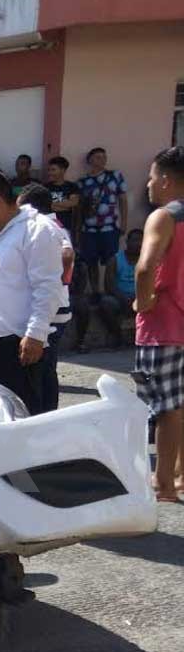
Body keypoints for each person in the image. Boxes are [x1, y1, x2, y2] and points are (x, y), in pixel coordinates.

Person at [0, 169, 63, 415]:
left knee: (23, 419)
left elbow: (47, 287)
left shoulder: (37, 230)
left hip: (17, 347)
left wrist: (35, 335)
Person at [132, 146, 184, 501]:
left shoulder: (164, 217)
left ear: (165, 180)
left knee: (166, 407)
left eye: (151, 177)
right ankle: (179, 477)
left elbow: (145, 267)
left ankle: (163, 484)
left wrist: (144, 299)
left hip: (164, 326)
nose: (148, 185)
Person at [18, 183, 76, 411]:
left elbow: (66, 254)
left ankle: (46, 413)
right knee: (46, 369)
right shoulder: (52, 225)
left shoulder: (48, 226)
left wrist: (54, 278)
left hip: (54, 310)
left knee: (43, 369)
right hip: (55, 307)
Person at [77, 147, 130, 316]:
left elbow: (123, 200)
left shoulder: (115, 176)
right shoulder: (82, 182)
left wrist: (124, 222)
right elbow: (79, 209)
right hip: (89, 228)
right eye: (98, 157)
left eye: (104, 157)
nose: (102, 160)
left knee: (110, 261)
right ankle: (95, 291)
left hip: (109, 227)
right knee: (91, 261)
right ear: (90, 160)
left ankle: (109, 291)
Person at [45, 156, 82, 240]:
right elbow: (44, 205)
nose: (50, 173)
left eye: (53, 170)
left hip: (66, 227)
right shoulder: (45, 187)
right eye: (49, 170)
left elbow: (73, 203)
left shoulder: (72, 186)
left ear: (63, 170)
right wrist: (65, 205)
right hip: (48, 227)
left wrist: (53, 203)